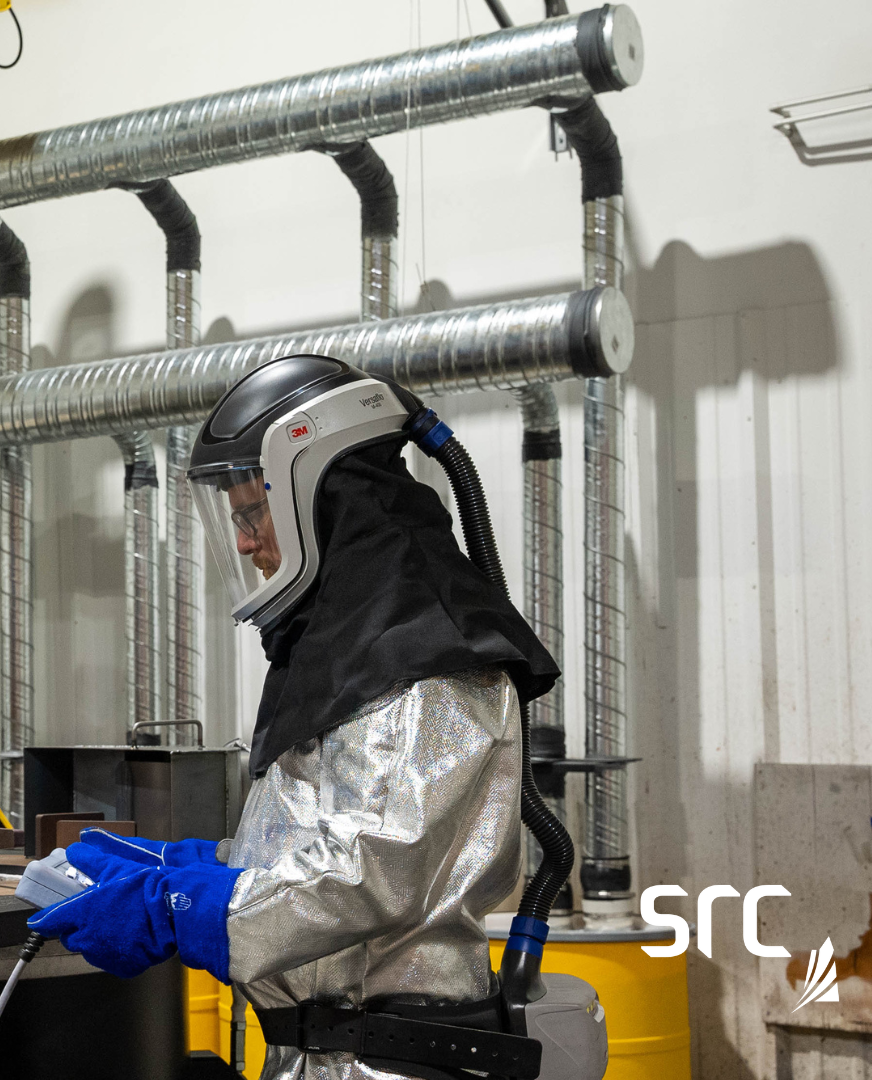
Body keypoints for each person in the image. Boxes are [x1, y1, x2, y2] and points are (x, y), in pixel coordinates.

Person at [27, 355, 561, 1080]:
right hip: (327, 1056)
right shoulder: (354, 646)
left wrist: (181, 906)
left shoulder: (429, 652)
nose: (245, 543)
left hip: (393, 1061)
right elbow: (323, 834)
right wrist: (196, 865)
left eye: (253, 513)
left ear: (319, 495)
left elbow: (371, 873)